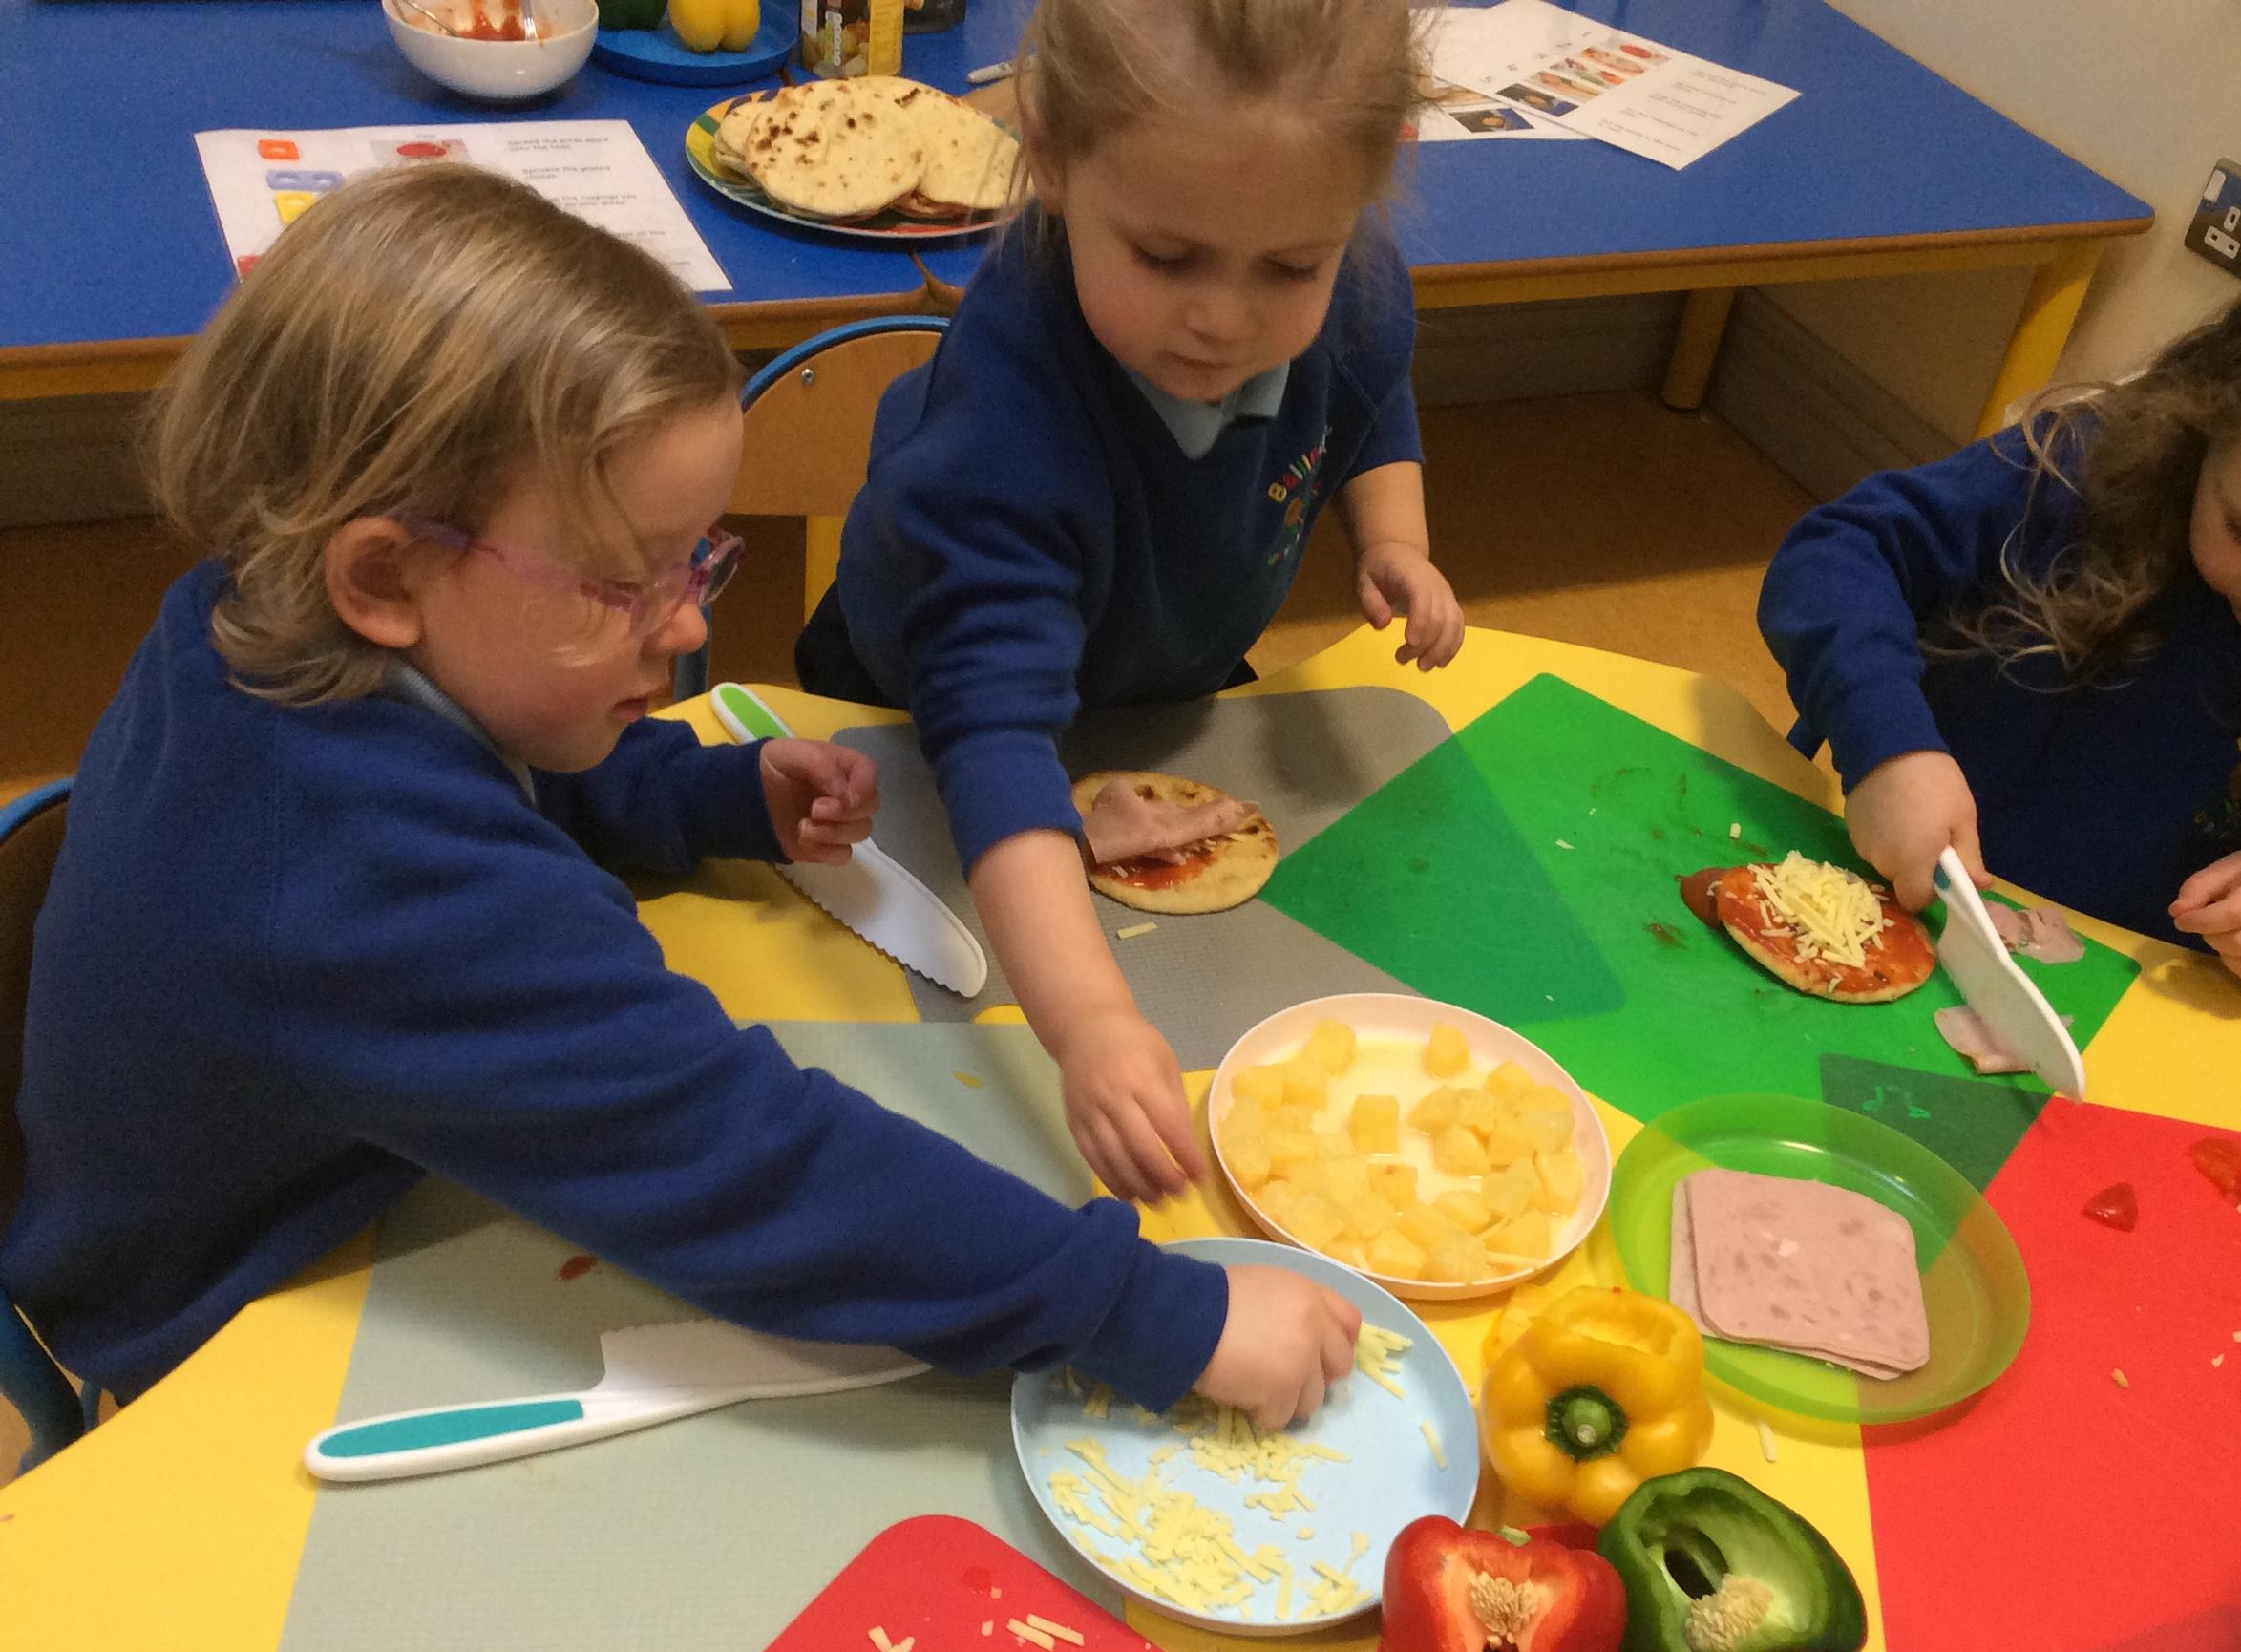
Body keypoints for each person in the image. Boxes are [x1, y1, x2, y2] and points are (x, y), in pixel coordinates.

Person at [1, 164, 1358, 1430]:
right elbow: (756, 1165)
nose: (689, 625)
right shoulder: (365, 890)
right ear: (384, 577)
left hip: (323, 1182)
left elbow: (495, 761)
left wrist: (703, 796)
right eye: (625, 580)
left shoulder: (256, 613)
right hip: (220, 1350)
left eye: (695, 560)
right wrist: (1150, 1313)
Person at [795, 0, 1464, 1201]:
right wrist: (1092, 1022)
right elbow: (992, 740)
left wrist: (1395, 535)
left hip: (1161, 673)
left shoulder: (1344, 271)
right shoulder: (1008, 425)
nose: (1226, 318)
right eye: (1167, 259)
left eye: (1289, 269)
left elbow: (1370, 384)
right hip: (924, 710)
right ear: (1051, 155)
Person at [1758, 202, 2241, 987]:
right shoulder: (2073, 475)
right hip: (1870, 898)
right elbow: (1839, 553)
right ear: (2203, 424)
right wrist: (1888, 744)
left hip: (2113, 994)